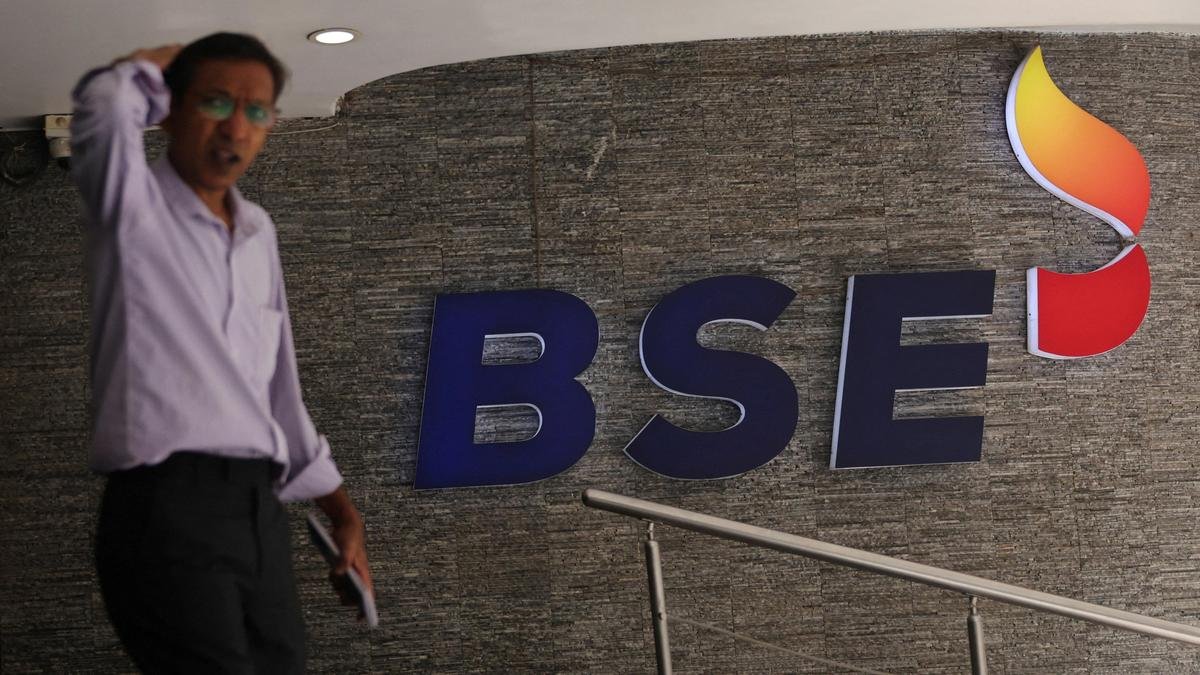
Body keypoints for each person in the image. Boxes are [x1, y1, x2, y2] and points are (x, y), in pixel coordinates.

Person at [70, 33, 372, 673]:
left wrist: (342, 513)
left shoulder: (258, 231)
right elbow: (101, 108)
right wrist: (147, 65)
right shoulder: (132, 210)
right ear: (168, 112)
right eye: (215, 102)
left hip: (258, 510)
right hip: (166, 507)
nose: (236, 127)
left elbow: (279, 394)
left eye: (255, 110)